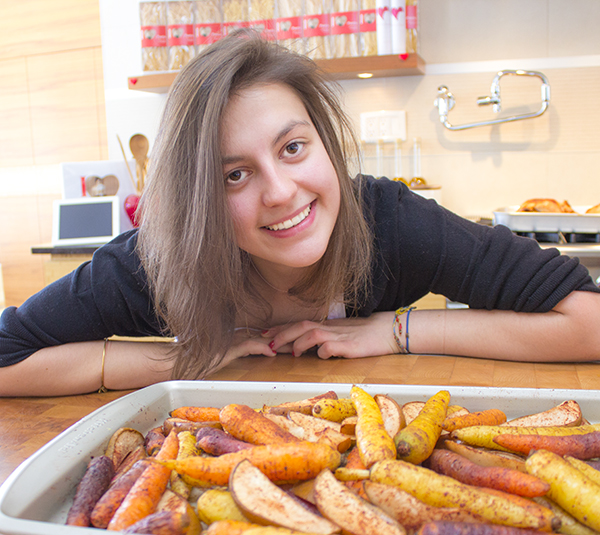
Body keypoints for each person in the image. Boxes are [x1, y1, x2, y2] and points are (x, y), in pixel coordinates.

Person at [1, 31, 599, 397]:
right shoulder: (153, 262)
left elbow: (589, 321)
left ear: (326, 144)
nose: (283, 192)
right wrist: (189, 356)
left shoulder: (391, 223)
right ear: (196, 201)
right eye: (234, 174)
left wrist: (397, 332)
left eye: (292, 148)